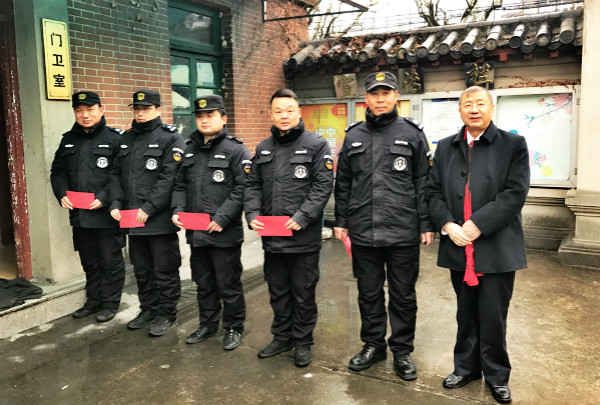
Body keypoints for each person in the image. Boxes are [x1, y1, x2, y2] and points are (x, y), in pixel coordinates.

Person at [425, 86, 530, 404]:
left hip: (497, 247)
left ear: (491, 108)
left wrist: (478, 224)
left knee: (493, 316)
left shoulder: (513, 144)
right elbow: (432, 191)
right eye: (467, 104)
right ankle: (466, 368)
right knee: (466, 312)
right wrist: (447, 224)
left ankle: (497, 375)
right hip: (458, 244)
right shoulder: (446, 147)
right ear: (459, 110)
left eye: (480, 103)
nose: (474, 109)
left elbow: (515, 192)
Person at [333, 71, 434, 381]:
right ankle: (373, 345)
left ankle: (401, 350)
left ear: (395, 96)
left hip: (403, 229)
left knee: (403, 295)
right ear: (366, 98)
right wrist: (341, 221)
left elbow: (423, 182)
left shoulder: (412, 134)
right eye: (374, 94)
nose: (380, 99)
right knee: (368, 293)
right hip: (364, 229)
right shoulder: (354, 135)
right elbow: (344, 182)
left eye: (386, 93)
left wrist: (426, 223)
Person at [244, 89, 333, 367]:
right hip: (272, 236)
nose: (284, 115)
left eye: (289, 110)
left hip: (302, 237)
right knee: (278, 290)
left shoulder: (316, 145)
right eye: (278, 111)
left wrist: (303, 215)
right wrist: (252, 213)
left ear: (299, 112)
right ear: (271, 115)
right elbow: (253, 185)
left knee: (303, 292)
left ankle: (303, 342)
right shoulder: (263, 148)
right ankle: (282, 337)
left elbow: (323, 185)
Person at [171, 95, 251, 350]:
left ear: (223, 118)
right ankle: (207, 324)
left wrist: (221, 218)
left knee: (228, 284)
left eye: (210, 115)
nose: (204, 120)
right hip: (196, 231)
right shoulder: (189, 149)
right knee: (203, 283)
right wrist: (177, 210)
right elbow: (180, 185)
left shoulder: (236, 150)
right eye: (200, 116)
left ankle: (234, 327)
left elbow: (243, 188)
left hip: (224, 233)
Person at [109, 90, 185, 337]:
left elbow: (170, 177)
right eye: (137, 109)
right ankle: (148, 309)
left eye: (146, 109)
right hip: (132, 218)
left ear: (158, 110)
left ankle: (167, 313)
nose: (140, 113)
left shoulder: (171, 139)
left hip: (159, 220)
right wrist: (115, 203)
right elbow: (115, 174)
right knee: (141, 269)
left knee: (165, 269)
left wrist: (149, 207)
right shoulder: (125, 139)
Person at [50, 91, 126, 323]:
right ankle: (93, 301)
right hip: (80, 215)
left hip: (106, 215)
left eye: (90, 109)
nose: (85, 115)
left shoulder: (115, 138)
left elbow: (122, 174)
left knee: (110, 261)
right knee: (89, 261)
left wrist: (104, 197)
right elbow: (58, 171)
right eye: (79, 110)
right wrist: (62, 194)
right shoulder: (68, 140)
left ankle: (110, 303)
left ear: (101, 110)